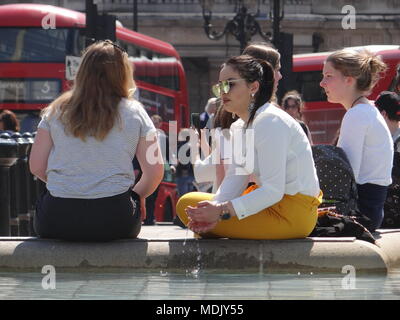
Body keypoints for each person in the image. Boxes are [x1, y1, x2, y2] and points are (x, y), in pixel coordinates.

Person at [29, 40, 164, 241]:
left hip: (57, 219)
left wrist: (72, 183)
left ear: (82, 71)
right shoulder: (136, 112)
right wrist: (136, 196)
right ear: (123, 73)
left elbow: (36, 166)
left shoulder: (55, 111)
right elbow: (154, 172)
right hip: (115, 218)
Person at [176, 55, 321, 239]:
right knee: (192, 205)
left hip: (293, 216)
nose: (222, 92)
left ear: (253, 87)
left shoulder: (270, 121)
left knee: (191, 207)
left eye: (229, 84)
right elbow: (235, 179)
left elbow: (273, 191)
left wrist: (221, 211)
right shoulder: (239, 126)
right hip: (272, 206)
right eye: (219, 86)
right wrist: (214, 209)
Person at [319, 48, 393, 232]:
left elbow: (346, 175)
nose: (322, 83)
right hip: (371, 211)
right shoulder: (367, 110)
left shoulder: (357, 114)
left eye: (328, 76)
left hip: (359, 214)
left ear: (349, 80)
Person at [193, 105, 236, 193]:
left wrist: (194, 145)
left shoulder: (227, 141)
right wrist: (204, 144)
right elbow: (216, 165)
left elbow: (199, 173)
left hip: (226, 203)